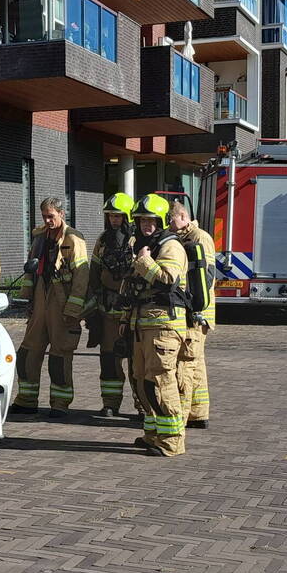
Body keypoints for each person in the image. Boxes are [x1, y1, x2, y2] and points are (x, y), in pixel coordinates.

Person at [120, 194, 191, 457]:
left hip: (164, 326)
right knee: (142, 382)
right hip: (142, 324)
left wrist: (144, 261)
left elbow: (168, 280)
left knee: (161, 382)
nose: (145, 225)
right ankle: (153, 434)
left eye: (151, 220)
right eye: (141, 221)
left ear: (161, 221)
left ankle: (172, 440)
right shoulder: (144, 245)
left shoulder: (170, 247)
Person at [10, 197, 89, 418]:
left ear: (62, 214)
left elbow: (82, 278)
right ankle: (26, 400)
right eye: (44, 216)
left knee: (60, 354)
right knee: (27, 352)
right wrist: (27, 300)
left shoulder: (74, 239)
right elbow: (30, 270)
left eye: (51, 216)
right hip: (40, 297)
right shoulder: (39, 236)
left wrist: (73, 310)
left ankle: (60, 404)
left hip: (61, 301)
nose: (47, 220)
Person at [168, 201, 217, 429]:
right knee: (195, 362)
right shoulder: (183, 236)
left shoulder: (199, 238)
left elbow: (206, 277)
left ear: (184, 216)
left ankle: (188, 414)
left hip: (197, 311)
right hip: (194, 309)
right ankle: (198, 413)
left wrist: (195, 308)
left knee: (188, 361)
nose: (169, 224)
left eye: (172, 219)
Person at [88, 193, 137, 417]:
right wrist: (93, 305)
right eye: (111, 216)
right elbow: (94, 272)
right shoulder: (102, 239)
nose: (114, 220)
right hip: (108, 309)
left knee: (138, 361)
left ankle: (143, 406)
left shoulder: (137, 240)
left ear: (127, 217)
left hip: (133, 310)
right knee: (109, 359)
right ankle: (110, 403)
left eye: (118, 216)